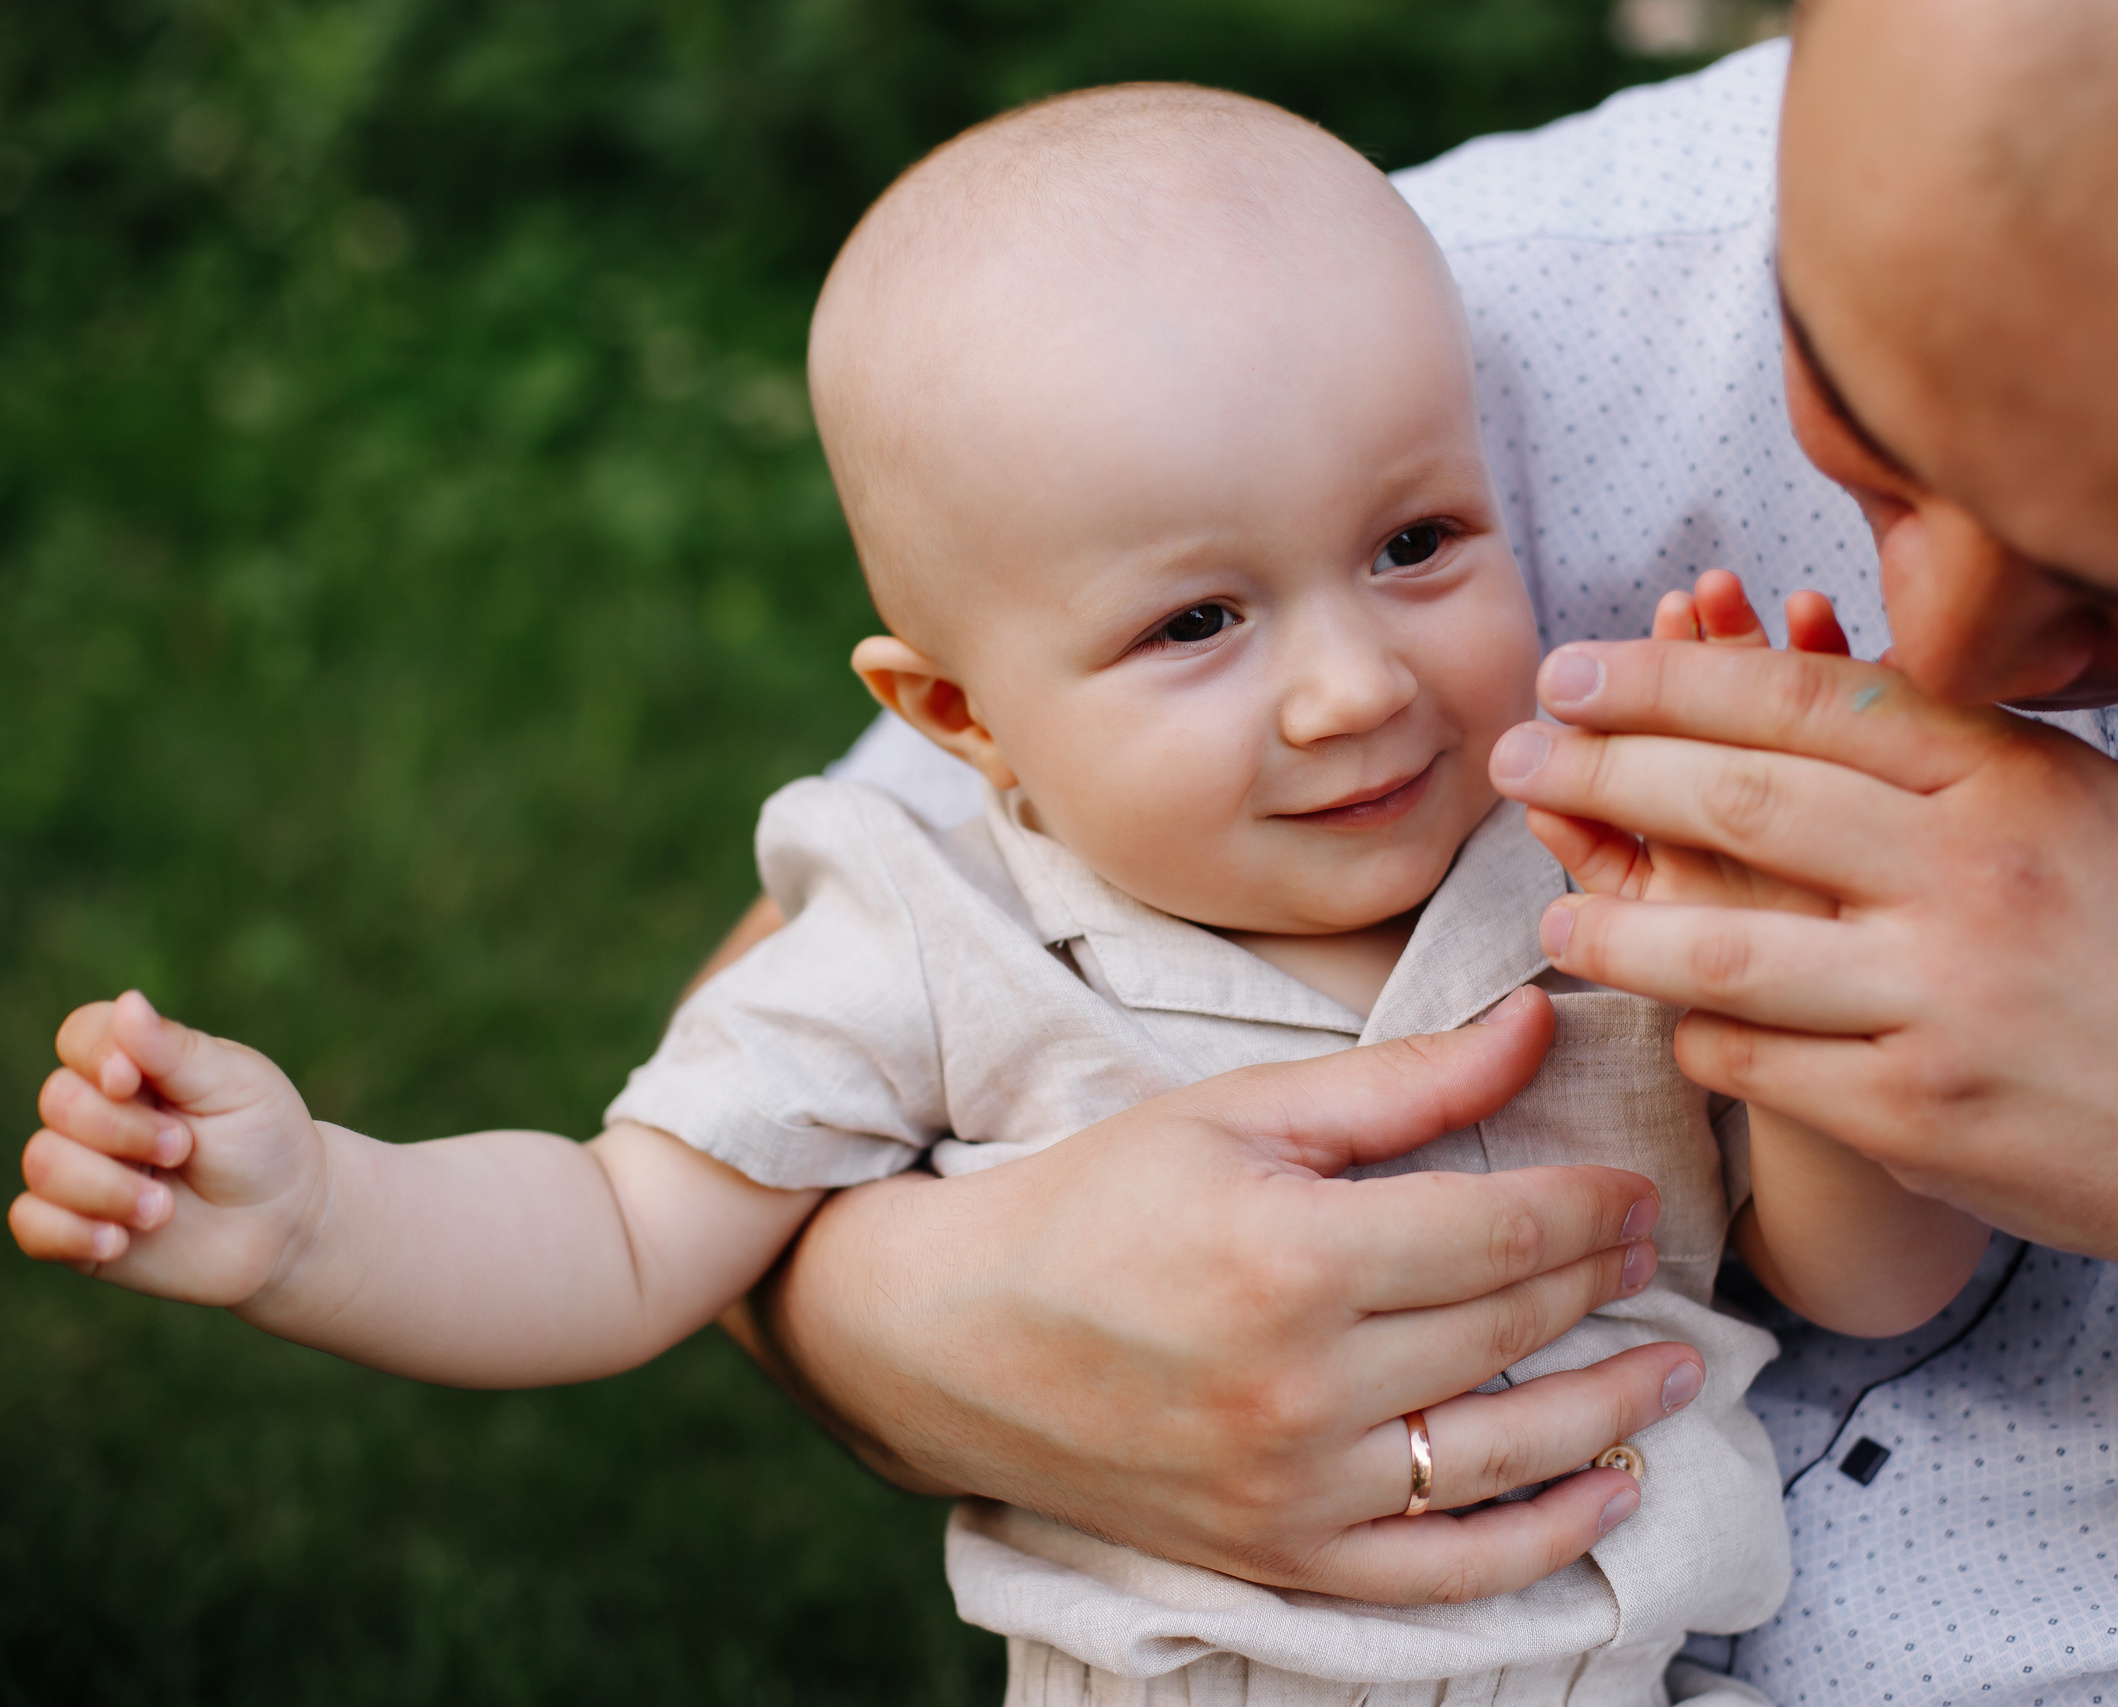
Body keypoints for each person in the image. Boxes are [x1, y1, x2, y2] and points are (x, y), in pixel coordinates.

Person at [11, 88, 1996, 1706]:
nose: (1351, 680)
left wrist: (1790, 1001)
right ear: (961, 715)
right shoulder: (927, 926)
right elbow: (620, 1234)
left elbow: (1861, 1283)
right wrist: (314, 1215)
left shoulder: (1599, 867)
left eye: (1412, 540)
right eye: (1198, 618)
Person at [698, 6, 2118, 1705]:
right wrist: (929, 1325)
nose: (1958, 657)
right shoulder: (1404, 302)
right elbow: (851, 951)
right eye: (1866, 431)